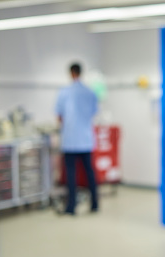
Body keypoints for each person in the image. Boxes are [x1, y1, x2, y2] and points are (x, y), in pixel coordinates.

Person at [55, 63, 99, 215]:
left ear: (71, 73)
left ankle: (71, 207)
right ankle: (95, 204)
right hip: (86, 139)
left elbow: (60, 116)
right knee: (90, 172)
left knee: (71, 174)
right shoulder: (90, 92)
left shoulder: (65, 92)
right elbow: (93, 113)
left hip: (71, 140)